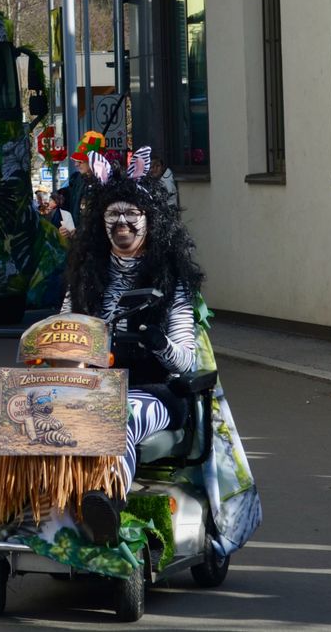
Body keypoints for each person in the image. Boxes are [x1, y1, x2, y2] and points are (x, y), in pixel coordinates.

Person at [63, 146, 203, 544]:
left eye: (131, 215)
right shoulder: (85, 279)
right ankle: (33, 507)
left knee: (116, 413)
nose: (122, 222)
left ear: (150, 221)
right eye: (113, 215)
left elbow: (187, 363)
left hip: (153, 391)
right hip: (91, 389)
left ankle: (106, 506)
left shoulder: (171, 281)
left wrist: (159, 343)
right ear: (101, 223)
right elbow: (63, 329)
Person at [62, 130, 106, 240]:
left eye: (81, 161)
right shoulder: (79, 180)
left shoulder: (107, 184)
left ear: (94, 161)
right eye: (76, 160)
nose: (76, 164)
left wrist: (81, 233)